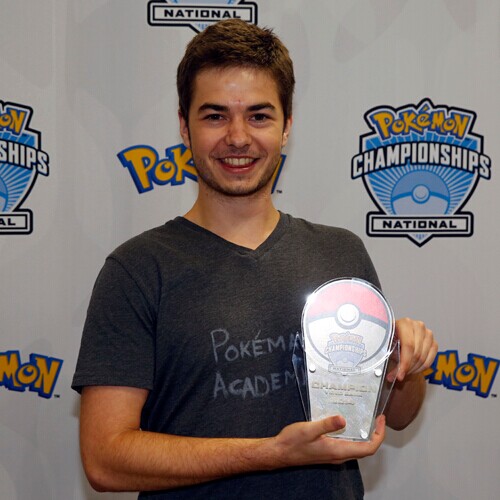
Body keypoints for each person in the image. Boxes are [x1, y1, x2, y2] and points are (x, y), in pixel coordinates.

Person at [72, 19, 437, 499]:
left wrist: (406, 361)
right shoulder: (137, 270)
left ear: (287, 126)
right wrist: (272, 453)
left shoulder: (340, 252)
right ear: (184, 126)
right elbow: (105, 459)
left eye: (259, 116)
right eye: (215, 116)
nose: (238, 137)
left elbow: (398, 414)